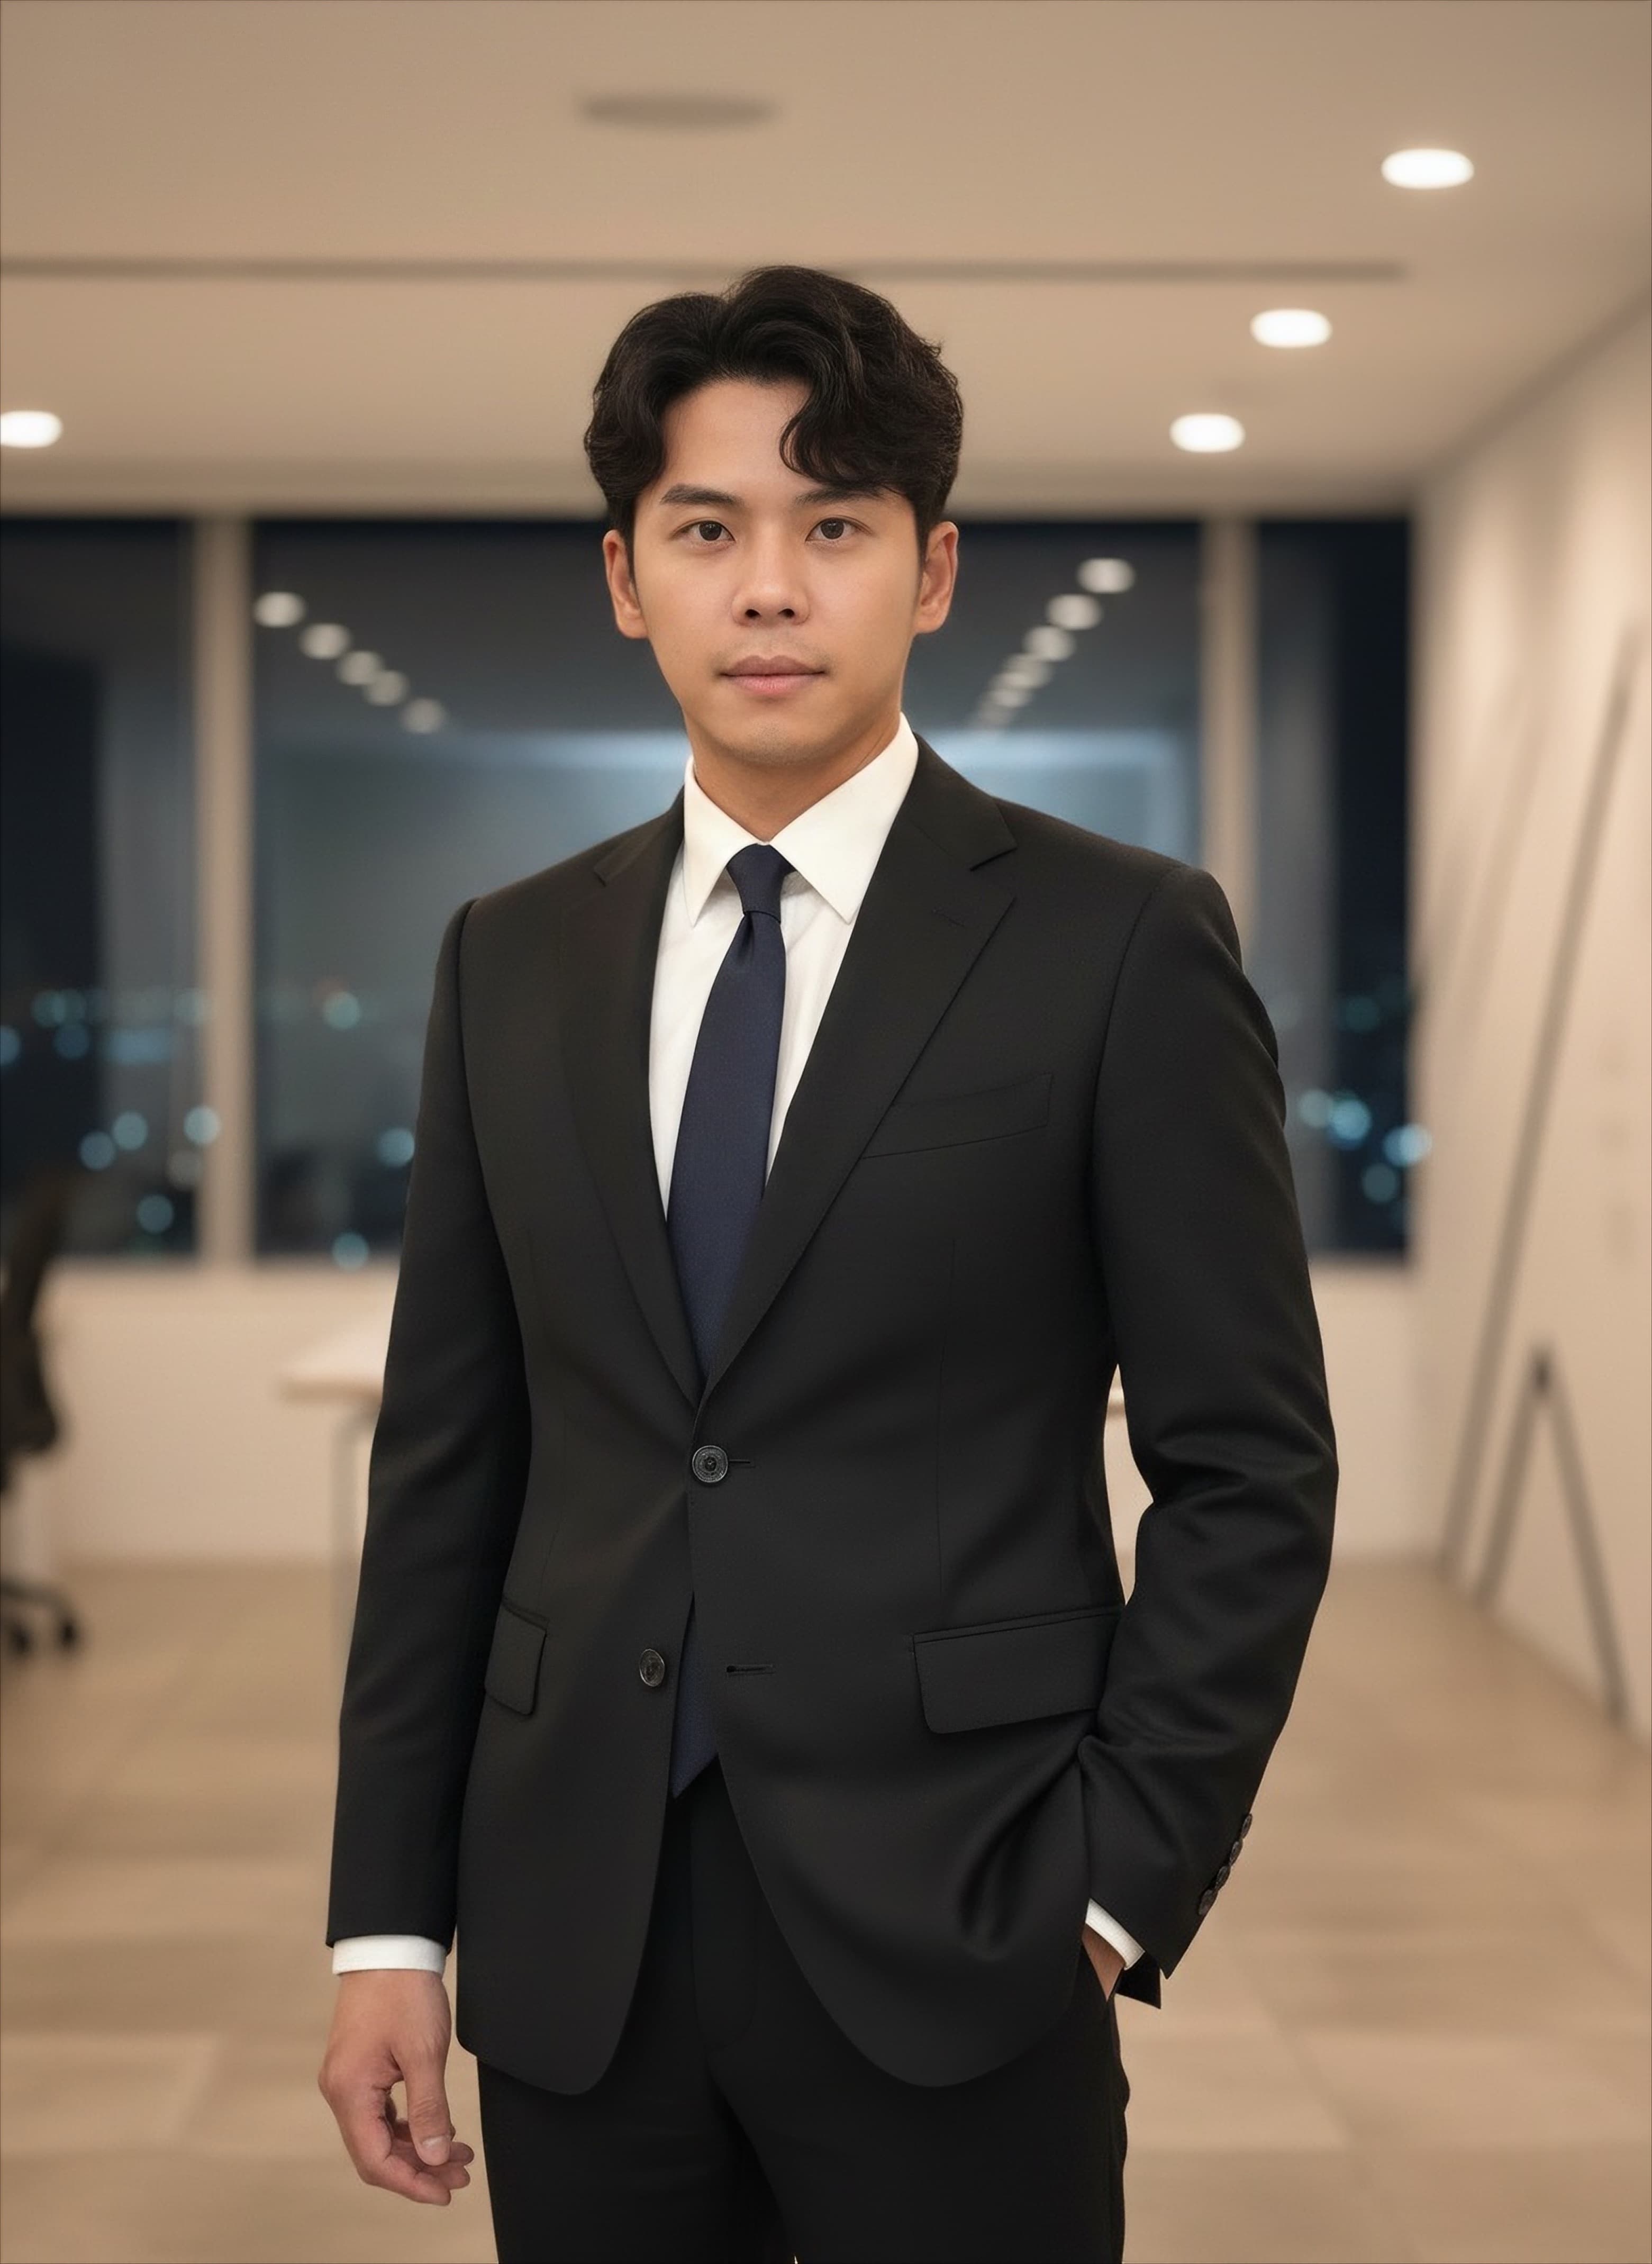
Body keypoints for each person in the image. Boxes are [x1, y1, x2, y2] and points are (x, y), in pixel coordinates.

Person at [318, 264, 1338, 2264]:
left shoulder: (1118, 941)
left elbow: (1248, 1464)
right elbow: (450, 1465)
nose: (768, 590)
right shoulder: (509, 956)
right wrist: (385, 1931)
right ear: (627, 579)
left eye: (835, 528)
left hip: (965, 1921)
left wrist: (1111, 1886)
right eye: (706, 531)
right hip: (577, 1928)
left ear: (929, 572)